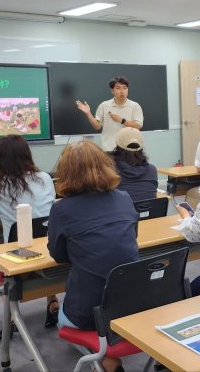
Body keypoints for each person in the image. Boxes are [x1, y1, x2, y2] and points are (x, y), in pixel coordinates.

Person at [48, 141, 139, 372]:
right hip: (133, 306)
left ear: (64, 172)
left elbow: (58, 255)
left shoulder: (61, 209)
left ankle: (106, 358)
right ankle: (108, 356)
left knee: (62, 321)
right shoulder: (124, 198)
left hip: (88, 313)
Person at [0, 135, 57, 327]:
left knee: (1, 257)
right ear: (27, 155)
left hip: (17, 258)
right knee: (42, 238)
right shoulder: (45, 179)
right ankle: (52, 302)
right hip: (52, 251)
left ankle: (10, 314)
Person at [76, 76, 144, 151]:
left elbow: (138, 126)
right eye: (118, 88)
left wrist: (122, 120)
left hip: (129, 149)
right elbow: (97, 126)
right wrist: (88, 113)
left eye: (125, 88)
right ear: (112, 91)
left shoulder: (135, 106)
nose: (122, 91)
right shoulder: (104, 105)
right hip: (109, 148)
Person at [111, 127, 158, 202]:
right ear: (141, 146)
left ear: (117, 144)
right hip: (150, 213)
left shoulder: (111, 171)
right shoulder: (152, 170)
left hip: (123, 213)